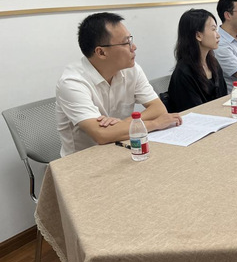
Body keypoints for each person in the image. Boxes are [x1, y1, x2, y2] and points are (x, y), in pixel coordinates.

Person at [56, 12, 182, 157]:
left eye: (130, 40)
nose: (134, 47)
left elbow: (158, 109)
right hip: (82, 159)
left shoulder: (131, 69)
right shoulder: (72, 82)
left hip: (122, 147)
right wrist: (155, 124)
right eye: (126, 43)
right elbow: (101, 135)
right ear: (101, 52)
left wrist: (122, 125)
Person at [167, 9, 227, 113]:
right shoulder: (183, 72)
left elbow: (224, 99)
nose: (218, 35)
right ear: (198, 35)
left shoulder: (213, 64)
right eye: (213, 29)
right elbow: (193, 113)